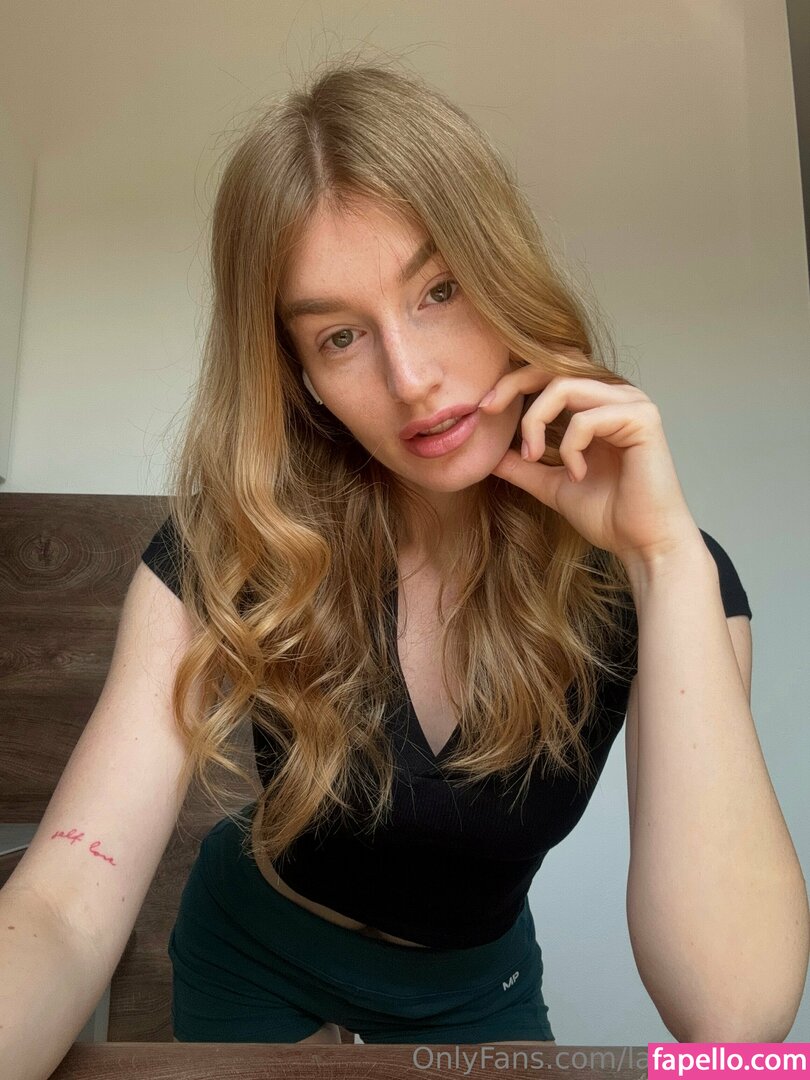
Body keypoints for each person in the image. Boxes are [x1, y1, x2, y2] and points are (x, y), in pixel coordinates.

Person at [4, 54, 792, 1073]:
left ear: (503, 272)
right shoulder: (234, 546)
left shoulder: (670, 581)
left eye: (440, 290)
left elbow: (733, 1022)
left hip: (472, 986)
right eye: (340, 336)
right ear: (300, 376)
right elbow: (64, 906)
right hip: (253, 948)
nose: (413, 379)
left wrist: (665, 558)